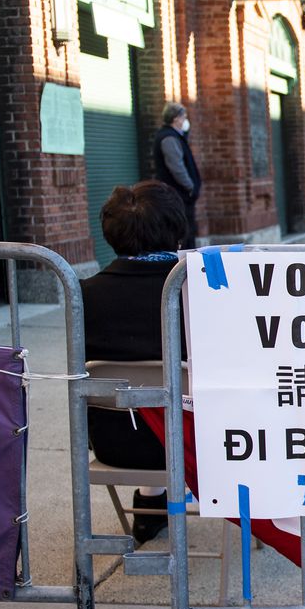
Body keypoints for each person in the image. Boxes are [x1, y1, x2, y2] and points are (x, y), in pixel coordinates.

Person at [81, 181, 189, 544]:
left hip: (115, 442)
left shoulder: (84, 295)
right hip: (192, 443)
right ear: (176, 227)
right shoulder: (197, 292)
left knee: (143, 401)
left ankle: (149, 506)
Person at [152, 102, 202, 248]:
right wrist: (190, 186)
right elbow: (176, 167)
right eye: (184, 117)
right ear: (176, 119)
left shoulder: (175, 136)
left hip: (182, 195)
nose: (185, 120)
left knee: (188, 232)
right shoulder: (169, 138)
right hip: (180, 195)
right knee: (184, 233)